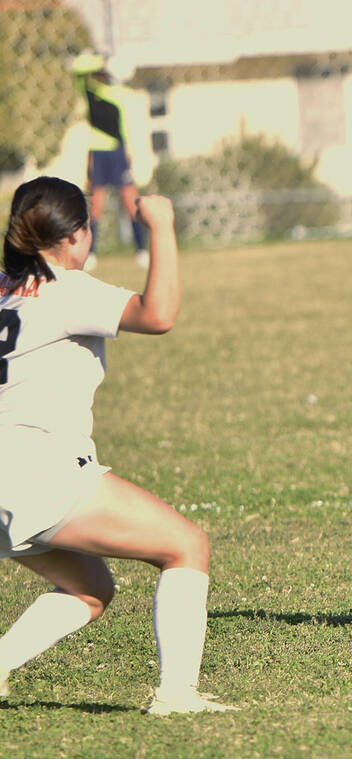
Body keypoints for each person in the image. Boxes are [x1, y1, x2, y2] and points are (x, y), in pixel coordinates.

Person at [0, 176, 236, 715]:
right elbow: (159, 315)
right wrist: (161, 227)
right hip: (37, 470)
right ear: (77, 235)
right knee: (185, 546)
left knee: (90, 590)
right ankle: (176, 695)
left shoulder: (3, 286)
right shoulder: (68, 288)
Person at [72, 53, 149, 271]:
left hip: (117, 152)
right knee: (96, 206)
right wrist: (98, 60)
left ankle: (141, 250)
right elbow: (78, 70)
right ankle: (91, 253)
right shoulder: (89, 92)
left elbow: (127, 127)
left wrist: (130, 155)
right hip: (98, 152)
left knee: (129, 201)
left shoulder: (120, 94)